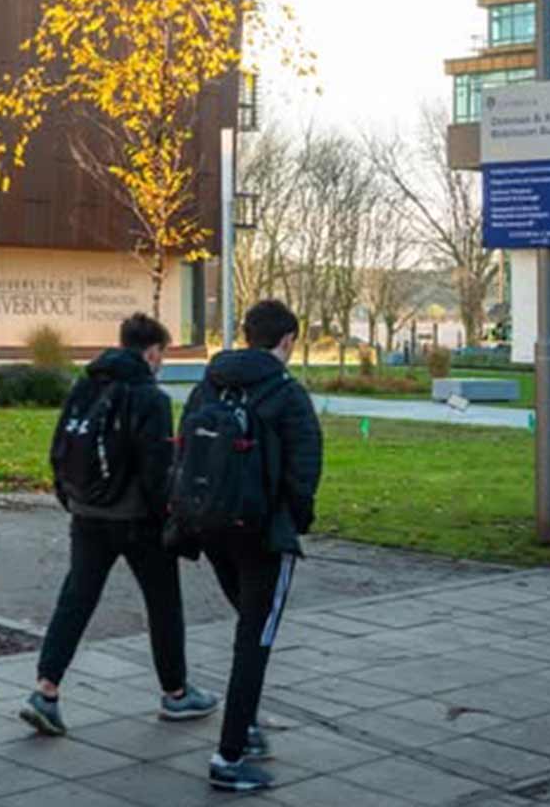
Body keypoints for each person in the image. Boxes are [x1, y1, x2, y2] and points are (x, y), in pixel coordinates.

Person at [19, 313, 219, 738]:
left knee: (77, 599)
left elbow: (60, 447)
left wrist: (71, 499)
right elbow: (156, 470)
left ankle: (46, 690)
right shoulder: (151, 398)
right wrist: (169, 515)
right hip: (137, 520)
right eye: (161, 354)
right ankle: (176, 692)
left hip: (87, 514)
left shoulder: (86, 385)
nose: (161, 363)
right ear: (152, 352)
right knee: (163, 604)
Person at [182, 299, 324, 793]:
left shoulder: (209, 384)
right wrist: (292, 524)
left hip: (210, 527)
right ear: (286, 341)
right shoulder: (287, 393)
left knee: (249, 625)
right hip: (263, 533)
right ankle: (229, 755)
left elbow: (182, 448)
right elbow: (304, 473)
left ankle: (246, 726)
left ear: (246, 335)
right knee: (255, 640)